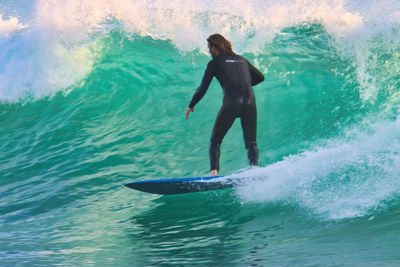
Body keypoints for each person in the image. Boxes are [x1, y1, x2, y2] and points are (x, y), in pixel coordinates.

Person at [186, 33, 265, 176]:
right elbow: (260, 77)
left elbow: (203, 88)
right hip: (249, 102)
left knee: (215, 140)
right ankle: (254, 171)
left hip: (231, 103)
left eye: (210, 48)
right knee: (251, 142)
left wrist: (191, 104)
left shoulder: (214, 63)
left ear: (216, 48)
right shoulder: (242, 60)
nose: (209, 51)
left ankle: (214, 173)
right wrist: (244, 84)